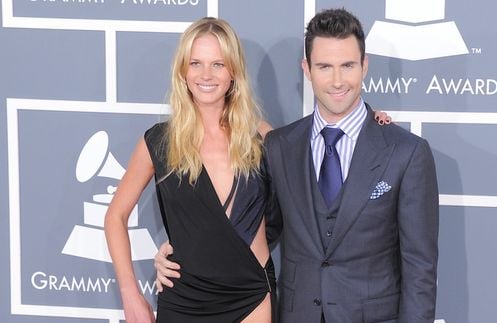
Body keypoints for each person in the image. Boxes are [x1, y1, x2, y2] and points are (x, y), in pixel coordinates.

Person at [155, 9, 419, 323]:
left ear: (364, 66)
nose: (336, 80)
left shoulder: (401, 150)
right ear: (307, 70)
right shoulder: (283, 144)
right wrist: (180, 252)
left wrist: (375, 128)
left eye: (347, 65)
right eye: (324, 66)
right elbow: (242, 220)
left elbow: (420, 266)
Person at [104, 17, 278, 323]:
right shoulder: (158, 142)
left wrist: (371, 122)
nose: (206, 75)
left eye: (218, 64)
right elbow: (115, 216)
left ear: (233, 71)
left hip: (251, 295)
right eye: (195, 63)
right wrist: (130, 293)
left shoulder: (262, 137)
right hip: (184, 297)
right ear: (182, 71)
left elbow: (318, 172)